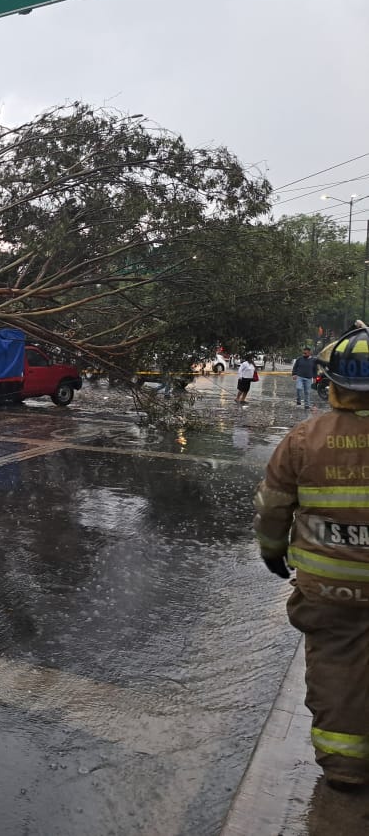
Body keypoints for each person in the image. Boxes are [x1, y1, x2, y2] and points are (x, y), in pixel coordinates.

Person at [252, 324, 369, 791]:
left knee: (336, 672)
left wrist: (272, 553)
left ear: (334, 382)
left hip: (328, 592)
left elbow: (273, 507)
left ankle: (343, 768)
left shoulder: (305, 438)